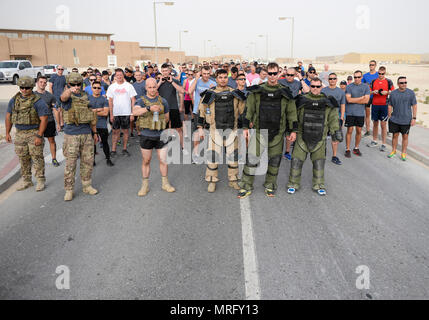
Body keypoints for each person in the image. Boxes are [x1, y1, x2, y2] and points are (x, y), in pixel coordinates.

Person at [238, 63, 297, 199]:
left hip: (277, 133)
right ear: (265, 74)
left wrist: (293, 131)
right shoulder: (257, 91)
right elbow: (249, 110)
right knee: (252, 159)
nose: (272, 76)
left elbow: (292, 113)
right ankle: (246, 185)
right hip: (259, 132)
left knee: (275, 161)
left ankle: (270, 185)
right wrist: (245, 128)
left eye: (274, 73)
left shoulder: (285, 92)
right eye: (269, 73)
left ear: (278, 74)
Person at [287, 78, 342, 196]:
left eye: (318, 86)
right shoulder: (301, 100)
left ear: (321, 87)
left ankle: (319, 185)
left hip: (320, 138)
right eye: (313, 86)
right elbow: (293, 116)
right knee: (296, 161)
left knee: (319, 163)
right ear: (309, 86)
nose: (315, 89)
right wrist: (291, 131)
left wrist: (335, 132)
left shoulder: (328, 101)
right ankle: (293, 184)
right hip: (302, 137)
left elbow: (333, 119)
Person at [197, 69, 246, 193]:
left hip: (232, 130)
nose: (223, 79)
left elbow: (243, 112)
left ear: (227, 79)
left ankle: (233, 180)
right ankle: (212, 181)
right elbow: (201, 112)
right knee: (213, 157)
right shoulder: (209, 94)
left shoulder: (235, 93)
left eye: (225, 77)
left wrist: (245, 128)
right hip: (215, 130)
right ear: (216, 78)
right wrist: (200, 128)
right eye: (220, 77)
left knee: (233, 156)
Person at [60, 73, 99, 201]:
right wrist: (68, 91)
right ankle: (69, 189)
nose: (76, 87)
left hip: (86, 133)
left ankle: (87, 185)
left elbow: (92, 116)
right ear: (68, 85)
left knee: (87, 162)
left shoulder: (86, 96)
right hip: (72, 135)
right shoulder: (68, 96)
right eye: (73, 84)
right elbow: (63, 98)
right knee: (70, 164)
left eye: (78, 84)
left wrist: (94, 133)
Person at [5, 77, 49, 192]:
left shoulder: (38, 101)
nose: (24, 90)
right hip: (19, 133)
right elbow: (8, 116)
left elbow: (44, 119)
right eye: (22, 88)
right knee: (23, 158)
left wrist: (39, 136)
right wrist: (7, 133)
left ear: (32, 88)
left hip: (34, 132)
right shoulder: (14, 100)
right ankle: (27, 181)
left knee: (37, 157)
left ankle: (40, 180)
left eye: (27, 88)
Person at [132, 78, 175, 196]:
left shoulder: (163, 101)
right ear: (146, 88)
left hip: (161, 135)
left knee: (163, 160)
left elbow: (167, 118)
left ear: (157, 87)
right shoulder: (141, 101)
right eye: (149, 87)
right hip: (146, 135)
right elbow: (135, 112)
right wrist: (148, 108)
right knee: (146, 161)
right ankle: (145, 185)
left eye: (154, 87)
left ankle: (165, 183)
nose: (152, 89)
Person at [279, 67, 309, 160]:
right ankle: (275, 152)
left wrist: (300, 78)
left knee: (289, 133)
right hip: (280, 110)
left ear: (295, 75)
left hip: (292, 111)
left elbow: (307, 91)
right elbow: (270, 81)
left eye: (292, 75)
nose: (289, 77)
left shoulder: (297, 83)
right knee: (278, 134)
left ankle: (287, 152)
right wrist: (281, 74)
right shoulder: (281, 81)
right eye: (287, 74)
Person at [107, 69, 137, 157]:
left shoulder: (129, 86)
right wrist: (111, 114)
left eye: (121, 75)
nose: (119, 77)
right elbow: (110, 101)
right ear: (115, 76)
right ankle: (113, 150)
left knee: (125, 131)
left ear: (123, 75)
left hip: (126, 113)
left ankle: (124, 149)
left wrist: (132, 113)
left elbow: (133, 100)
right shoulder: (112, 87)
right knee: (115, 132)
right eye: (117, 75)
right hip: (116, 113)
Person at [189, 66, 217, 160]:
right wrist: (196, 79)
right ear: (201, 73)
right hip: (197, 110)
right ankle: (196, 154)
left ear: (210, 73)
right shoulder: (196, 81)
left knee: (208, 133)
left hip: (208, 112)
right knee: (197, 132)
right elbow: (189, 91)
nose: (206, 76)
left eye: (208, 74)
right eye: (204, 73)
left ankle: (208, 152)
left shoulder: (213, 83)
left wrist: (213, 89)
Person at [387, 77, 417, 161]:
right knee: (395, 136)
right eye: (401, 83)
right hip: (395, 119)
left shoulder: (411, 93)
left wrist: (414, 118)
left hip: (406, 120)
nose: (404, 84)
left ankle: (403, 153)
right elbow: (389, 105)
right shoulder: (393, 93)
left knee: (405, 136)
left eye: (405, 82)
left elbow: (414, 106)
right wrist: (390, 117)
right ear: (398, 84)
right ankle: (393, 151)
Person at [34, 76, 61, 167]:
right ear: (37, 83)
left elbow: (55, 110)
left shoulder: (50, 96)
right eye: (41, 82)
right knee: (37, 142)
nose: (43, 84)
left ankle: (54, 158)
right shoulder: (32, 95)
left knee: (51, 140)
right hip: (37, 123)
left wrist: (58, 123)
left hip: (49, 121)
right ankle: (38, 160)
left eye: (44, 82)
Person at [157, 63, 185, 149]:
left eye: (166, 71)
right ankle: (164, 144)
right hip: (162, 109)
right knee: (163, 128)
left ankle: (183, 146)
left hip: (173, 107)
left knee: (178, 128)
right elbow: (152, 92)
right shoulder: (159, 81)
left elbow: (182, 91)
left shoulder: (175, 80)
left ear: (170, 71)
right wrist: (160, 83)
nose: (164, 72)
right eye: (163, 71)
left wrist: (172, 82)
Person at [367, 66, 394, 152]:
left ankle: (383, 144)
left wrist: (387, 92)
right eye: (379, 73)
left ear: (385, 73)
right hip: (375, 104)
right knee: (375, 124)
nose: (381, 75)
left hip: (384, 105)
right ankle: (374, 141)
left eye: (382, 74)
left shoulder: (389, 81)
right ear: (377, 73)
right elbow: (369, 90)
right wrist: (373, 91)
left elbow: (393, 92)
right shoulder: (374, 81)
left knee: (383, 125)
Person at [321, 73, 346, 165]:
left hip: (335, 117)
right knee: (322, 137)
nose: (332, 80)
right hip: (325, 116)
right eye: (330, 79)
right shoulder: (323, 91)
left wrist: (342, 117)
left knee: (335, 138)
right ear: (328, 80)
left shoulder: (341, 92)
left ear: (336, 79)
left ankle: (334, 156)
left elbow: (343, 105)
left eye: (334, 79)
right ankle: (321, 154)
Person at [344, 71, 370, 158]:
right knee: (349, 131)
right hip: (350, 113)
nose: (357, 79)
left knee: (359, 131)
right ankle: (347, 149)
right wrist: (361, 98)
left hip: (360, 113)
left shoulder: (366, 87)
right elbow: (349, 100)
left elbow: (366, 101)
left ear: (361, 77)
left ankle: (356, 148)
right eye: (355, 77)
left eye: (358, 77)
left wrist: (355, 99)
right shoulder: (349, 87)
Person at [89, 81, 114, 167]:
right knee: (92, 144)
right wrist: (98, 110)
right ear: (92, 88)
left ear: (101, 89)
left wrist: (92, 111)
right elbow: (86, 113)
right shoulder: (88, 99)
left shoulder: (104, 99)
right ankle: (92, 161)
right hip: (91, 125)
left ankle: (108, 158)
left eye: (98, 88)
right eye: (95, 87)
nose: (97, 89)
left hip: (102, 125)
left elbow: (105, 113)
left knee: (105, 143)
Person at [362, 60, 379, 136]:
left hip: (376, 97)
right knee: (367, 115)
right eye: (370, 65)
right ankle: (368, 130)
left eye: (372, 65)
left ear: (375, 65)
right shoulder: (365, 75)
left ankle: (376, 132)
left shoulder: (379, 75)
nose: (371, 66)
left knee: (375, 116)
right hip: (368, 97)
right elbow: (362, 85)